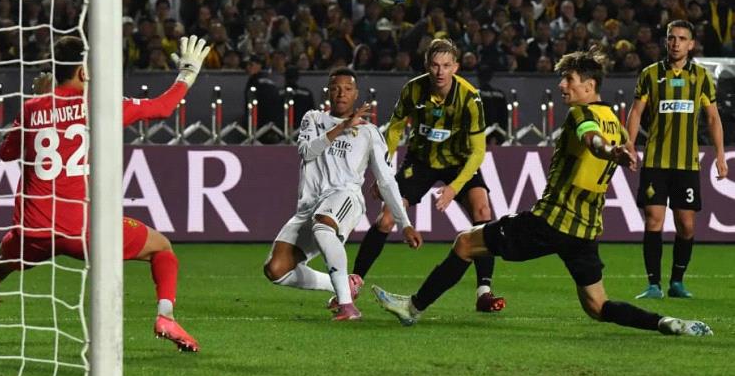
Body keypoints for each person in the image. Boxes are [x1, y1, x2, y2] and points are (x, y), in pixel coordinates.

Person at [372, 47, 713, 337]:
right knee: (598, 306)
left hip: (550, 221)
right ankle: (665, 322)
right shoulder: (616, 121)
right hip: (585, 230)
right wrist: (616, 151)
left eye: (569, 80)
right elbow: (602, 143)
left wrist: (609, 152)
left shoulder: (582, 114)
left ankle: (412, 307)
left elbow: (590, 139)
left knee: (464, 243)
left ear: (589, 86)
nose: (562, 85)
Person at [0, 34, 210, 352]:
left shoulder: (32, 107)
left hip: (33, 228)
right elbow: (162, 108)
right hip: (83, 229)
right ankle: (165, 317)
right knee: (161, 248)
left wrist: (39, 102)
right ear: (83, 71)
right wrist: (187, 74)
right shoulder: (100, 105)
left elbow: (6, 154)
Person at [353, 38, 506, 312]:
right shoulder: (413, 89)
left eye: (446, 65)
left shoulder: (470, 98)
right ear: (427, 65)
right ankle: (353, 282)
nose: (440, 72)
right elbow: (395, 130)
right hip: (420, 161)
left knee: (482, 210)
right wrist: (383, 172)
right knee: (386, 218)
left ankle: (484, 291)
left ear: (455, 67)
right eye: (435, 65)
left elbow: (478, 151)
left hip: (459, 162)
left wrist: (454, 187)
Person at [263, 67, 422, 321]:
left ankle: (348, 307)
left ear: (356, 94)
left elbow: (386, 181)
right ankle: (342, 284)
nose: (341, 94)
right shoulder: (313, 119)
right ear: (328, 92)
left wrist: (404, 223)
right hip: (309, 206)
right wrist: (342, 127)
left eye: (347, 89)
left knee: (323, 226)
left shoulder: (369, 132)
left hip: (345, 197)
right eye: (336, 89)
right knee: (276, 270)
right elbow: (306, 152)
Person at [626, 20, 728, 299]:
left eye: (682, 39)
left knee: (686, 224)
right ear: (666, 41)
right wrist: (629, 145)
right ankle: (653, 285)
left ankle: (677, 282)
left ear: (691, 44)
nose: (676, 43)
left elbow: (713, 118)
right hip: (656, 161)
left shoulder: (701, 77)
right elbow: (636, 112)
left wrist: (720, 154)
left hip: (687, 163)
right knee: (653, 221)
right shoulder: (650, 74)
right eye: (672, 38)